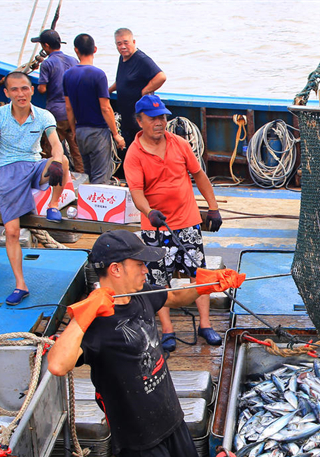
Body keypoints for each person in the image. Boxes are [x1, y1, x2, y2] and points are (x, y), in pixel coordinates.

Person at [46, 230, 243, 457]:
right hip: (139, 439)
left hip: (171, 420)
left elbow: (173, 297)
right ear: (116, 269)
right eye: (139, 264)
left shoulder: (139, 296)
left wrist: (212, 285)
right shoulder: (94, 326)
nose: (145, 271)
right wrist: (85, 314)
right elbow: (57, 364)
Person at [124, 94, 224, 351]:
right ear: (140, 121)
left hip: (188, 220)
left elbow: (199, 175)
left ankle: (205, 324)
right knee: (158, 279)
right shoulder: (134, 154)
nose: (160, 122)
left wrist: (213, 208)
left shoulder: (180, 144)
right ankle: (167, 329)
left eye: (163, 117)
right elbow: (136, 192)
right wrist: (149, 212)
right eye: (153, 118)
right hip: (156, 225)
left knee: (197, 275)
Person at [0, 71, 70, 305]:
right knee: (12, 232)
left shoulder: (44, 115)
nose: (20, 94)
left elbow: (56, 144)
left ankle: (53, 204)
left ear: (32, 89)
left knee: (61, 161)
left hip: (34, 166)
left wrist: (55, 162)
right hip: (8, 172)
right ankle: (20, 285)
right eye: (14, 89)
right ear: (7, 93)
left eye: (25, 88)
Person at [63, 33, 125, 184]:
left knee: (88, 174)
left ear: (76, 50)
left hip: (81, 132)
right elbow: (105, 108)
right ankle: (98, 206)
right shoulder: (98, 75)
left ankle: (87, 205)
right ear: (95, 49)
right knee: (101, 178)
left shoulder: (67, 75)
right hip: (98, 133)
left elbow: (68, 107)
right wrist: (116, 135)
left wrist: (74, 131)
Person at [32, 29, 84, 173]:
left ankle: (52, 175)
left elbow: (42, 89)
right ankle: (81, 176)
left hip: (56, 114)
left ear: (46, 46)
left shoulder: (47, 64)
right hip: (73, 112)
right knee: (76, 149)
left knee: (50, 148)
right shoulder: (74, 60)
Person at [110, 28, 166, 149]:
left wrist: (145, 91)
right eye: (119, 44)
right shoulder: (123, 58)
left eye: (126, 42)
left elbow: (161, 77)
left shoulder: (142, 59)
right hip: (126, 118)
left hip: (140, 119)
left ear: (134, 42)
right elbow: (121, 80)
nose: (123, 47)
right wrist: (108, 90)